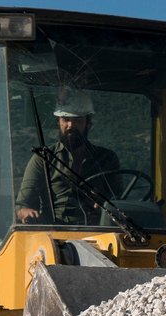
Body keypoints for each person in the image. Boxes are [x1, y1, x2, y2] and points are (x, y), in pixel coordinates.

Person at [15, 91, 122, 225]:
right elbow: (22, 205)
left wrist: (104, 204)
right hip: (54, 233)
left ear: (88, 123)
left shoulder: (107, 159)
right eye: (66, 120)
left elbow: (119, 203)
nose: (70, 125)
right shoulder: (43, 158)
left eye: (77, 120)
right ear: (58, 122)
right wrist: (26, 212)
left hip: (99, 232)